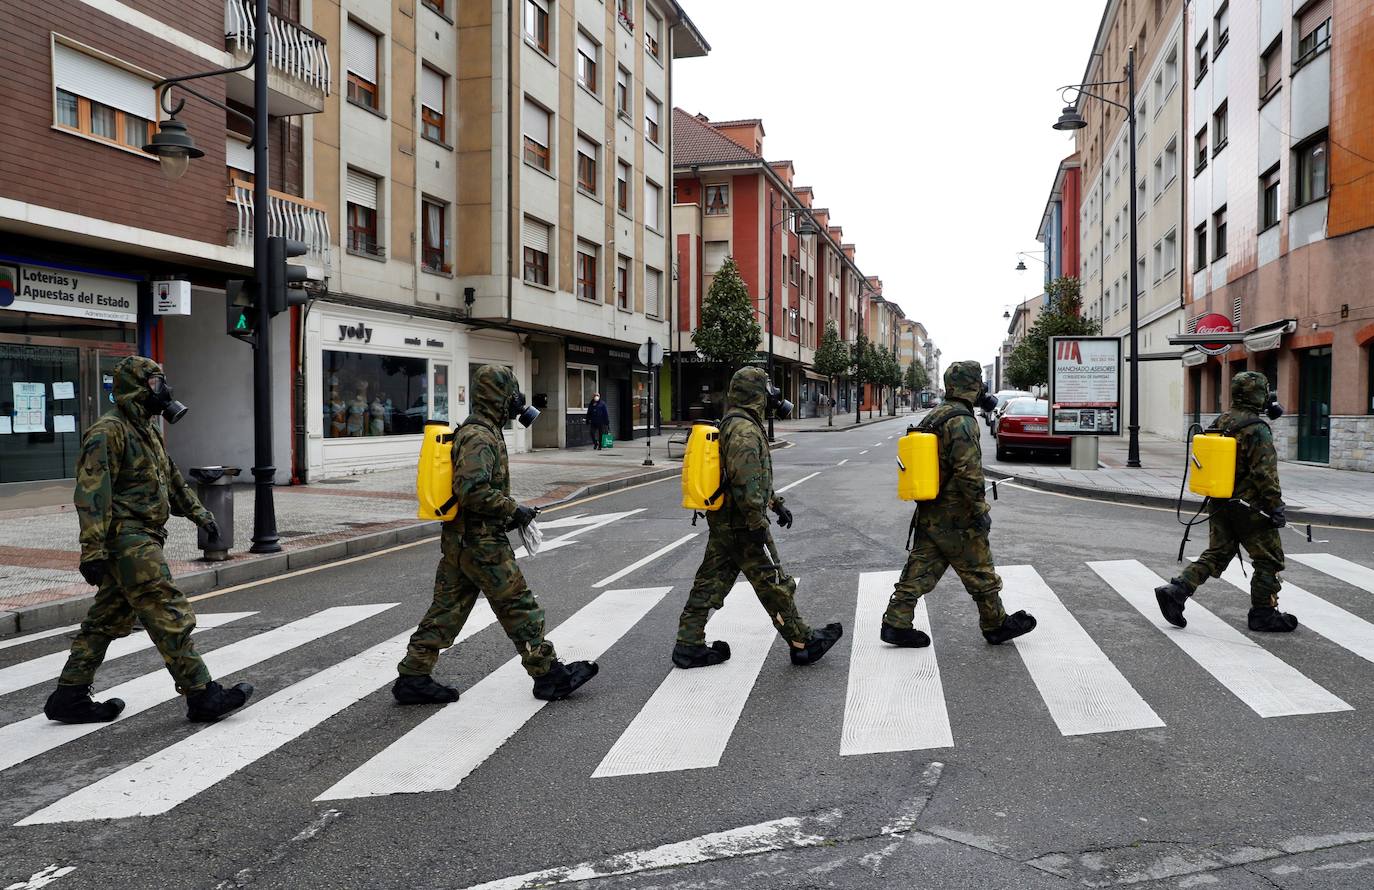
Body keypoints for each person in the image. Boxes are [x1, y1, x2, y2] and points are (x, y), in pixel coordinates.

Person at [45, 356, 253, 725]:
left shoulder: (147, 429)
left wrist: (201, 514)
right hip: (128, 539)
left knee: (106, 619)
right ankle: (202, 694)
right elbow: (92, 495)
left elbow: (171, 478)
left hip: (144, 536)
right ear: (136, 388)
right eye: (155, 384)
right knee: (166, 609)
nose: (164, 390)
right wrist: (92, 550)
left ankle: (69, 695)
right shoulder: (107, 432)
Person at [394, 364, 599, 703]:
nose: (516, 402)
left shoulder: (481, 430)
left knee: (447, 609)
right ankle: (548, 676)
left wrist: (510, 512)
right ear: (497, 397)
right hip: (482, 542)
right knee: (519, 606)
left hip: (462, 539)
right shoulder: (480, 436)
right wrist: (513, 510)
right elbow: (472, 491)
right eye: (511, 395)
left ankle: (413, 676)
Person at [673, 366, 843, 669]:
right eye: (767, 390)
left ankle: (688, 644)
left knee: (709, 582)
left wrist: (776, 503)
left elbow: (751, 477)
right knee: (771, 581)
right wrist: (756, 522)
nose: (772, 396)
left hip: (727, 521)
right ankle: (802, 642)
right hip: (741, 523)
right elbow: (746, 481)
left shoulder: (737, 422)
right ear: (755, 393)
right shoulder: (744, 430)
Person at [880, 360, 1037, 648]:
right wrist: (980, 511)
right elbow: (969, 472)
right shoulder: (962, 421)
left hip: (931, 508)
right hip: (957, 513)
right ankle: (995, 624)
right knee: (980, 568)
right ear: (973, 387)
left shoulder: (937, 415)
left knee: (921, 567)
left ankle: (895, 622)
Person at [1155, 371, 1296, 631]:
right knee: (1269, 559)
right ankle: (1263, 614)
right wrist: (1275, 506)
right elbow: (1264, 473)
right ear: (1258, 394)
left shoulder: (1221, 420)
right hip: (1251, 507)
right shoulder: (1257, 428)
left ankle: (1177, 590)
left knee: (1218, 552)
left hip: (1219, 500)